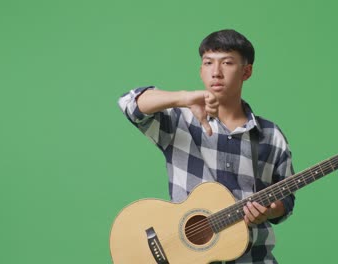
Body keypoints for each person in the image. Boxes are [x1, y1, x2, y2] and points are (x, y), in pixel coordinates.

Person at [118, 29, 295, 264]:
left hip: (253, 258)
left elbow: (286, 198)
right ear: (201, 70)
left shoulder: (271, 135)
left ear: (247, 71)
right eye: (208, 63)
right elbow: (130, 104)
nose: (216, 72)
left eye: (227, 63)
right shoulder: (181, 121)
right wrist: (183, 98)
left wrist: (270, 210)